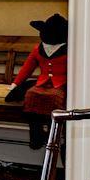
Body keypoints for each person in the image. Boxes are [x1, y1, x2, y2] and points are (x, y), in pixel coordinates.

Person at [6, 13, 68, 148]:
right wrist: (16, 83)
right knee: (31, 94)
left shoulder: (69, 50)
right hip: (42, 82)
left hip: (61, 84)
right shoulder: (38, 49)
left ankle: (54, 135)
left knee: (55, 98)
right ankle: (36, 134)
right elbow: (27, 67)